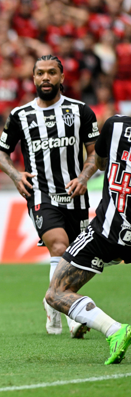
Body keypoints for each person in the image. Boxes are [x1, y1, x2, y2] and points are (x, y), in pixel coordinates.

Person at [0, 55, 100, 337]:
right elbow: (1, 153)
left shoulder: (81, 112)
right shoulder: (20, 115)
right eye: (40, 73)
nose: (45, 78)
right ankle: (73, 316)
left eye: (51, 73)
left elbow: (95, 154)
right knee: (58, 246)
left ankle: (52, 300)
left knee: (75, 257)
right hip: (42, 194)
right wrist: (16, 175)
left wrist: (84, 176)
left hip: (75, 195)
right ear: (32, 78)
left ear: (61, 77)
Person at [45, 114, 131, 365]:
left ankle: (114, 329)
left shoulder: (116, 125)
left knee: (56, 292)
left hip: (108, 231)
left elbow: (101, 163)